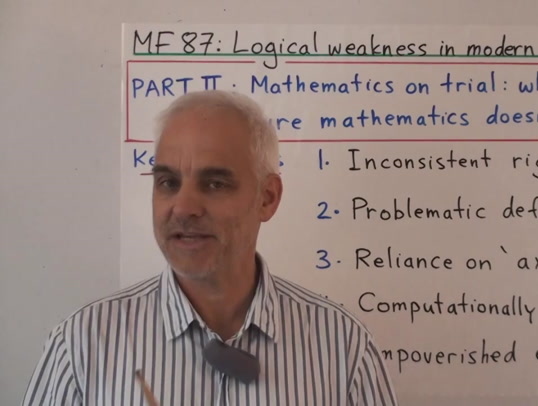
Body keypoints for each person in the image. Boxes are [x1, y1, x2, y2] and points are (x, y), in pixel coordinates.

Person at [22, 90, 398, 405]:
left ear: (267, 197)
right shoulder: (81, 345)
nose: (183, 208)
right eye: (168, 183)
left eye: (215, 184)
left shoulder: (344, 347)